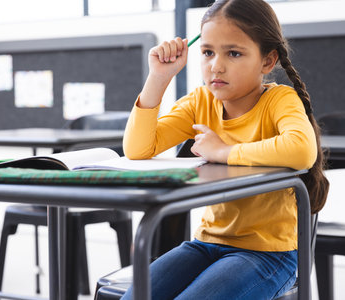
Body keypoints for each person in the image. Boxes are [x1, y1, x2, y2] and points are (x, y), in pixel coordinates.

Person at [122, 0, 329, 298]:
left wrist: (224, 151)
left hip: (269, 254)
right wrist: (159, 77)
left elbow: (302, 150)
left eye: (233, 53)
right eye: (207, 52)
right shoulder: (200, 102)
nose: (216, 66)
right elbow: (138, 149)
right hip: (206, 244)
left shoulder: (279, 100)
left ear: (267, 61)